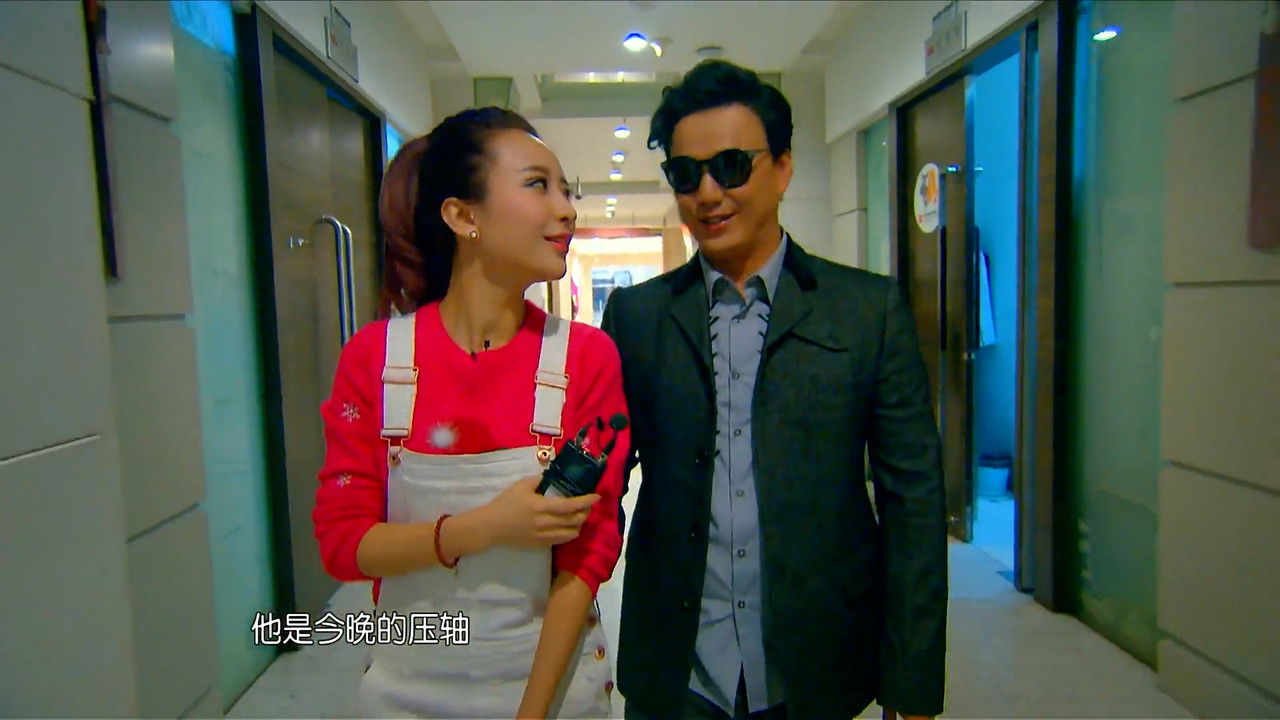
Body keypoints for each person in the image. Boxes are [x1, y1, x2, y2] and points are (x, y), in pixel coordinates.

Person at [601, 60, 947, 720]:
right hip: (677, 673)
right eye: (686, 174)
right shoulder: (637, 319)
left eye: (731, 166)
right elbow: (602, 482)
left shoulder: (865, 311)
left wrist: (913, 686)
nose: (708, 193)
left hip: (817, 668)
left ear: (783, 168)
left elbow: (915, 503)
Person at [313, 107, 629, 718]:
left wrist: (530, 715)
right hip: (407, 688)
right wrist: (484, 528)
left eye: (566, 190)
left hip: (550, 691)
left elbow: (588, 556)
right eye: (538, 185)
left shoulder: (585, 358)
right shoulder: (377, 358)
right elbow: (343, 543)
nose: (566, 209)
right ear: (463, 216)